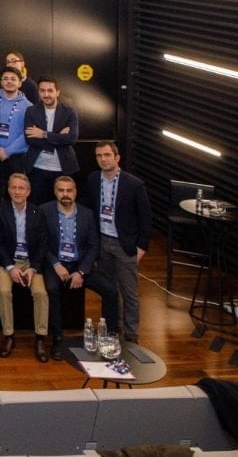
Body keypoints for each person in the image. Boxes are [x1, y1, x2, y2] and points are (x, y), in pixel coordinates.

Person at [41, 176, 120, 359]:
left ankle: (110, 337)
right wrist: (56, 264)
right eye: (61, 190)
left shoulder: (87, 214)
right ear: (55, 192)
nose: (65, 194)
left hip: (79, 265)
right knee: (52, 289)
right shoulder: (45, 211)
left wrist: (82, 271)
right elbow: (41, 243)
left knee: (110, 290)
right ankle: (57, 339)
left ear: (75, 192)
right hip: (56, 265)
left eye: (69, 190)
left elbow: (94, 245)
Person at [85, 140, 151, 343]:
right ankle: (112, 329)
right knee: (109, 290)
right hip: (103, 242)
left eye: (107, 155)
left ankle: (131, 336)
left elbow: (145, 217)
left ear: (117, 157)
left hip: (125, 245)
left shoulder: (134, 184)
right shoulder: (93, 179)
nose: (103, 159)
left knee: (129, 293)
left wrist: (141, 247)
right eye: (99, 156)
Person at [0, 173, 50, 361]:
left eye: (21, 188)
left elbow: (43, 244)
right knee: (3, 291)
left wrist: (33, 268)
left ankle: (40, 337)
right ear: (8, 190)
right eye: (13, 188)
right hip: (7, 262)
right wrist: (10, 267)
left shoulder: (37, 212)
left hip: (30, 263)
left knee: (40, 293)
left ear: (28, 191)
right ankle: (8, 335)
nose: (17, 191)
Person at [24, 77, 79, 205]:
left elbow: (71, 138)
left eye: (50, 90)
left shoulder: (69, 112)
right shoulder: (31, 111)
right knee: (37, 207)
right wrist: (59, 137)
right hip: (37, 168)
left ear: (57, 92)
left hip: (63, 168)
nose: (46, 94)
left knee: (62, 206)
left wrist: (43, 134)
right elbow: (31, 140)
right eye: (42, 90)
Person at [0, 67, 32, 203]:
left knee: (14, 194)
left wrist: (8, 151)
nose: (9, 82)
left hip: (16, 157)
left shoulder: (28, 106)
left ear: (20, 83)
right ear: (1, 82)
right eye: (5, 79)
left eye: (13, 79)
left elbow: (27, 133)